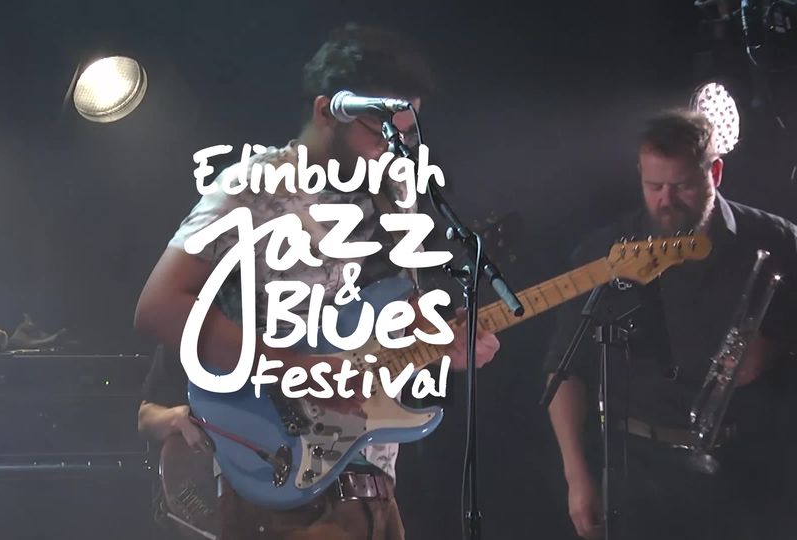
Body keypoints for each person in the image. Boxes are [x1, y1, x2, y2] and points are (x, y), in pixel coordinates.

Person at [134, 23, 501, 540]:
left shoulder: (396, 195)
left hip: (374, 487)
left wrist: (445, 342)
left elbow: (393, 317)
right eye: (381, 131)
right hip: (282, 476)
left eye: (404, 133)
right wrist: (299, 370)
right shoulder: (251, 186)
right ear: (328, 111)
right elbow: (157, 306)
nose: (394, 147)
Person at [545, 108, 797, 540]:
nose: (666, 200)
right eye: (654, 186)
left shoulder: (778, 239)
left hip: (752, 468)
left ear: (714, 173)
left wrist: (774, 349)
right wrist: (577, 476)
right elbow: (564, 370)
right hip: (638, 470)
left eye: (681, 186)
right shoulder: (606, 251)